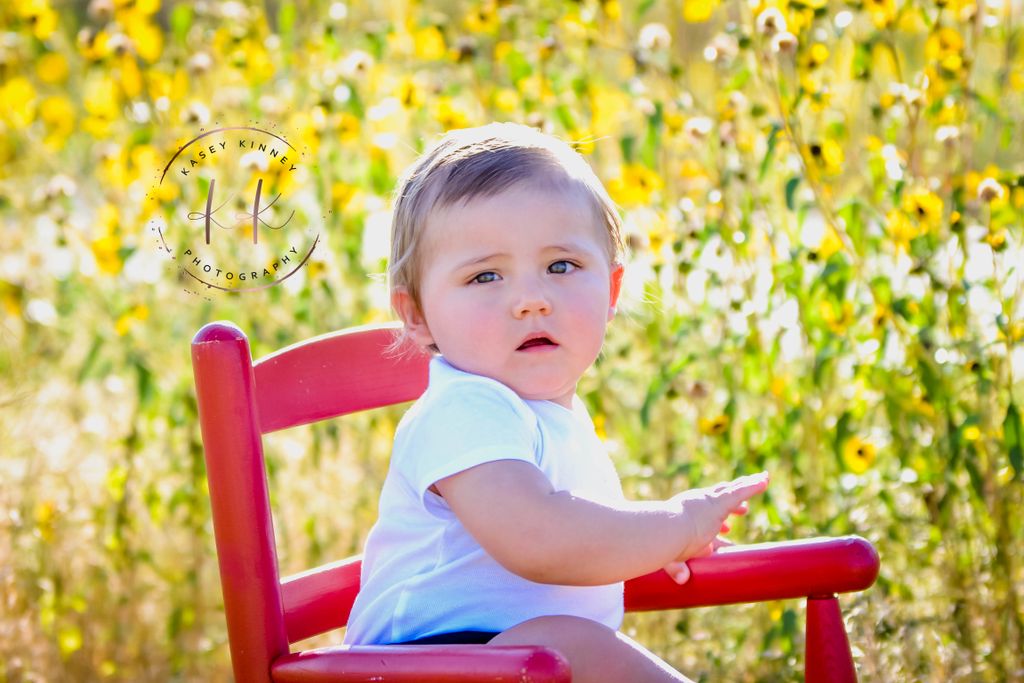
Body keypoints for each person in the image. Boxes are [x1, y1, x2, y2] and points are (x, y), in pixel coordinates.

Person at [342, 122, 770, 682]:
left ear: (612, 291)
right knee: (567, 645)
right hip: (417, 669)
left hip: (516, 666)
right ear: (417, 315)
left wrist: (640, 541)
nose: (531, 301)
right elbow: (538, 537)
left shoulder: (552, 419)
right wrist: (677, 524)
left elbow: (574, 540)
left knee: (566, 648)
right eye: (486, 276)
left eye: (561, 266)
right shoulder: (464, 410)